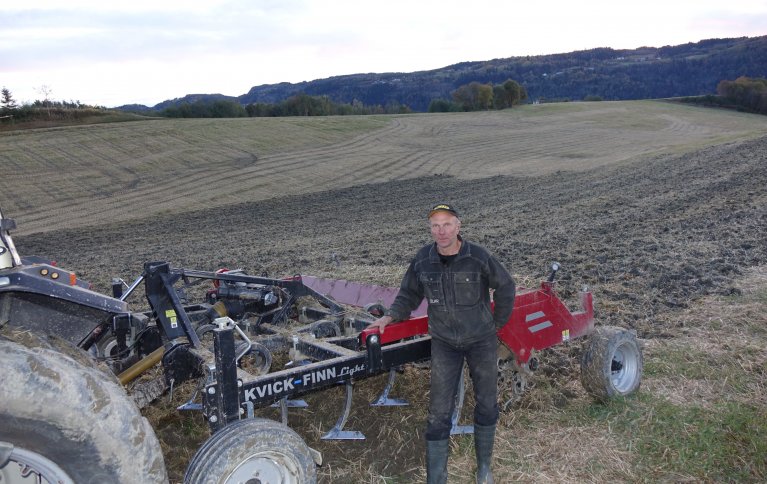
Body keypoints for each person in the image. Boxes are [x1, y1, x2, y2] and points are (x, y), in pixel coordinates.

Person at [368, 203, 516, 484]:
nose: (441, 230)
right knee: (438, 411)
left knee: (486, 402)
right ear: (430, 229)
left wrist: (495, 325)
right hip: (445, 343)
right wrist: (388, 318)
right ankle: (437, 478)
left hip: (480, 341)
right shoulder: (423, 260)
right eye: (435, 225)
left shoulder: (478, 256)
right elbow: (408, 295)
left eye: (447, 224)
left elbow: (506, 285)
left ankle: (484, 468)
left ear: (458, 226)